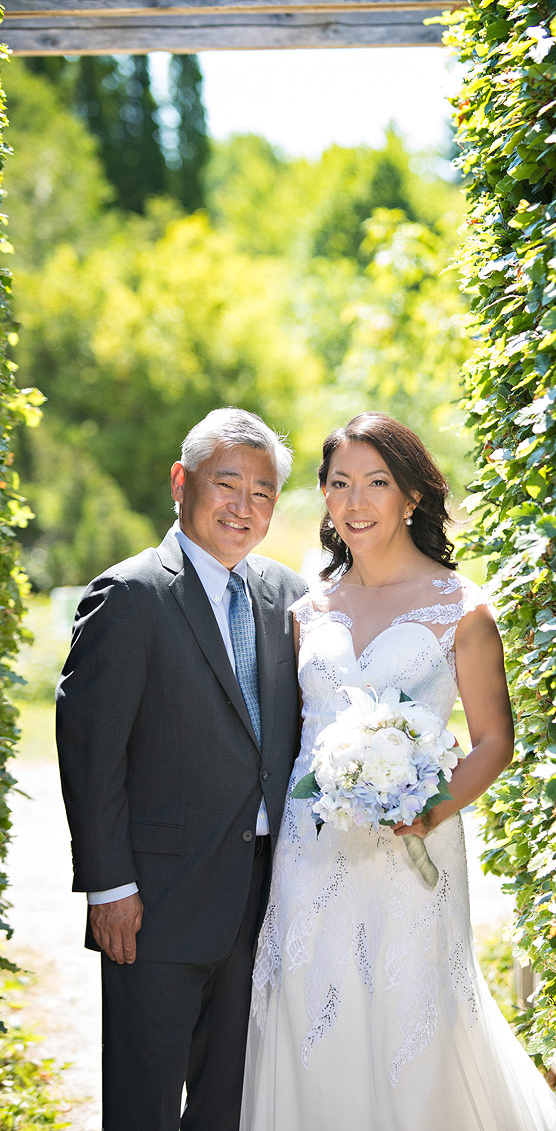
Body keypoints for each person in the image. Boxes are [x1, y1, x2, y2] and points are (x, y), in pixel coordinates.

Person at [241, 412, 556, 1131]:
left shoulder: (462, 608)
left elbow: (492, 740)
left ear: (411, 497)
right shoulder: (306, 610)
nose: (355, 503)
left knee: (411, 1010)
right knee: (308, 1004)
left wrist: (426, 811)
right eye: (339, 484)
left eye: (376, 483)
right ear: (325, 498)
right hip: (312, 847)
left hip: (415, 844)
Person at [56, 407, 308, 1131]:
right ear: (181, 481)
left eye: (261, 493)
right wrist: (109, 886)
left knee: (232, 1101)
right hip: (154, 903)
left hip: (263, 899)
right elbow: (90, 753)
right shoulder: (130, 596)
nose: (243, 506)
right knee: (145, 1103)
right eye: (226, 483)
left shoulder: (287, 597)